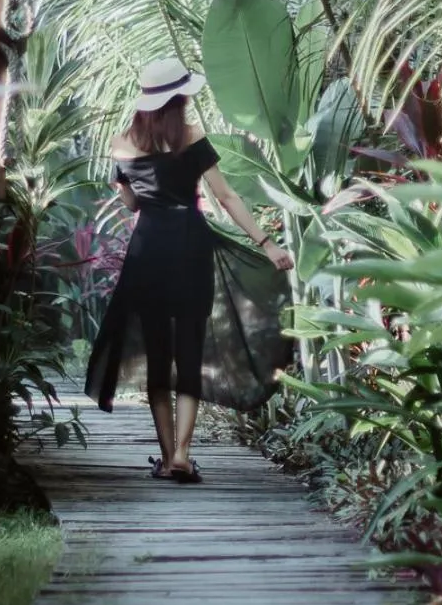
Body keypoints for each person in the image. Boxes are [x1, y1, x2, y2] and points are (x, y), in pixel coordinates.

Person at [84, 56, 295, 484]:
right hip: (191, 242)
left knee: (159, 356)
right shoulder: (192, 137)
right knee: (190, 354)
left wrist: (130, 183)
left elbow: (131, 203)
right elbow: (228, 197)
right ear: (178, 99)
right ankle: (182, 453)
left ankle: (167, 459)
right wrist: (266, 243)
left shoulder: (121, 143)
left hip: (148, 249)